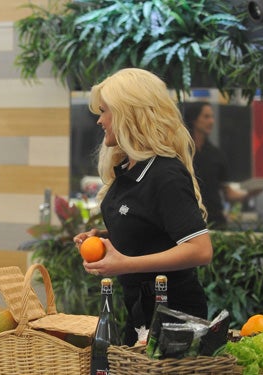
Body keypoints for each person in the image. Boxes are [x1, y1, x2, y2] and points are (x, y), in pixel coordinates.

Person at [73, 68, 213, 346]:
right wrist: (106, 238)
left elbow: (200, 250)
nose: (99, 121)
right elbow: (150, 229)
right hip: (140, 313)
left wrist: (126, 264)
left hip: (174, 318)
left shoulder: (165, 174)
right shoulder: (128, 169)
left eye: (104, 111)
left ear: (129, 114)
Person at [183, 101, 263, 229]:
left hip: (215, 221)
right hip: (188, 220)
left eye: (212, 116)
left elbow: (228, 193)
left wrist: (248, 194)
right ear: (194, 119)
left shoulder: (216, 154)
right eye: (206, 117)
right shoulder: (181, 153)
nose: (211, 121)